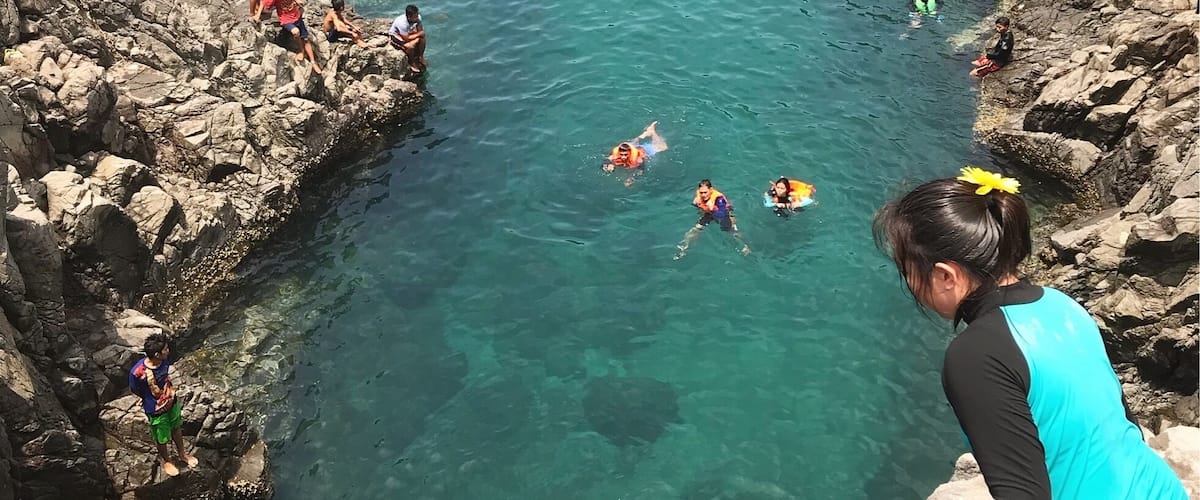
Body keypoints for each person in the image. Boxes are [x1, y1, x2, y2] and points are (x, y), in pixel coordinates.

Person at [872, 166, 1187, 499]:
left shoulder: (976, 354)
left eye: (907, 270)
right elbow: (1124, 422)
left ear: (946, 276)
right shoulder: (1062, 304)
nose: (908, 283)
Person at [129, 333, 198, 477]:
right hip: (155, 409)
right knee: (161, 436)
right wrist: (147, 397)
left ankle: (182, 454)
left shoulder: (165, 361)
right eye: (165, 349)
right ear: (157, 354)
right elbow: (134, 389)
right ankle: (167, 460)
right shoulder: (137, 372)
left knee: (176, 427)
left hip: (171, 400)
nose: (168, 351)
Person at [674, 179, 750, 259]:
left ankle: (746, 246)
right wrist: (697, 205)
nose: (703, 195)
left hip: (724, 214)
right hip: (709, 214)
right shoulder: (700, 196)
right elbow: (699, 205)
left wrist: (712, 209)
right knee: (696, 229)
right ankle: (683, 248)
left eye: (705, 192)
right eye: (701, 192)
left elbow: (722, 214)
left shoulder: (719, 199)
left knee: (732, 232)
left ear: (710, 190)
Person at [254, 0, 323, 73]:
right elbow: (263, 2)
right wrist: (258, 14)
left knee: (305, 39)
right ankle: (301, 50)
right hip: (286, 21)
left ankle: (313, 62)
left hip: (297, 17)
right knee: (296, 32)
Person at [603, 121, 669, 187]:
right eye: (621, 154)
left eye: (625, 155)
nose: (623, 157)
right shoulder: (616, 154)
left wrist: (631, 178)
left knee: (663, 147)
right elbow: (606, 160)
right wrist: (608, 165)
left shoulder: (638, 159)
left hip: (643, 150)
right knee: (633, 142)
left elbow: (641, 170)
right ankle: (645, 133)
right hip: (631, 146)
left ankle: (652, 132)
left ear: (630, 153)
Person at [390, 5, 427, 73]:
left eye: (417, 15)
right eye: (415, 17)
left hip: (407, 33)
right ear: (409, 17)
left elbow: (420, 31)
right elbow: (406, 39)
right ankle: (412, 62)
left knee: (422, 38)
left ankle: (421, 57)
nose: (417, 17)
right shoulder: (402, 23)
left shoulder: (418, 18)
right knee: (410, 46)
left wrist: (419, 35)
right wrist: (418, 37)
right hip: (397, 36)